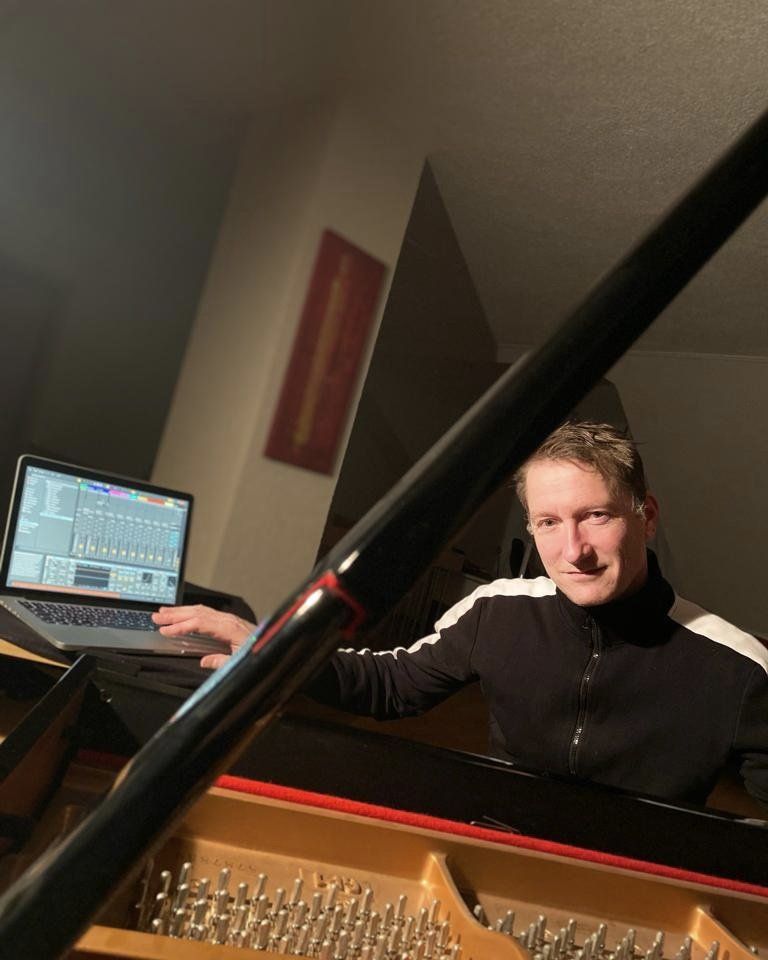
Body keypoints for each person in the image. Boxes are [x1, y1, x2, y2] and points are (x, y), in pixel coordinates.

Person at [152, 421, 768, 806]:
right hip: (496, 847)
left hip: (642, 884)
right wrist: (275, 650)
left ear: (646, 516)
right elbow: (387, 684)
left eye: (596, 516)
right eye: (549, 522)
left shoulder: (738, 667)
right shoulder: (497, 611)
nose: (573, 550)